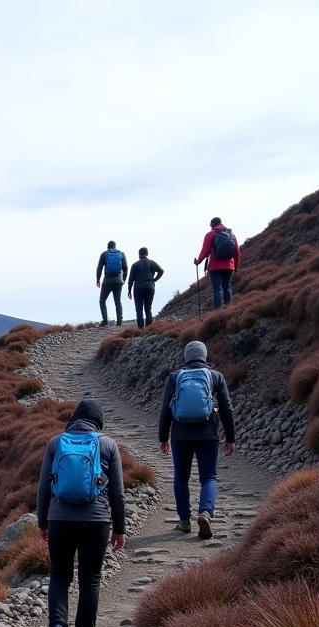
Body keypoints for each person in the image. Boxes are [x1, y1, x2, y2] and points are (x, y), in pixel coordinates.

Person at [37, 399, 126, 627]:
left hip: (59, 520)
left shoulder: (55, 443)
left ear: (74, 418)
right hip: (95, 521)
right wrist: (119, 529)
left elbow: (43, 487)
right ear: (98, 422)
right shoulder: (108, 444)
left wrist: (43, 522)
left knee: (59, 576)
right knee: (90, 579)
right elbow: (117, 494)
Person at [158, 341, 236, 539]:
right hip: (208, 435)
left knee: (181, 477)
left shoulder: (175, 377)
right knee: (208, 477)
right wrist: (230, 438)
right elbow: (226, 409)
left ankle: (184, 522)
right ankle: (205, 513)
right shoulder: (216, 377)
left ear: (187, 357)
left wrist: (163, 437)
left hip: (180, 436)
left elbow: (166, 410)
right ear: (204, 356)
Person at [195, 217, 240, 309]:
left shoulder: (210, 234)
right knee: (227, 286)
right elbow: (237, 251)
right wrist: (235, 266)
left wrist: (198, 261)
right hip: (229, 266)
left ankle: (218, 311)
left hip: (215, 267)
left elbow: (205, 251)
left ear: (212, 225)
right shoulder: (231, 234)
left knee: (217, 288)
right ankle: (228, 307)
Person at [126, 247, 165, 328]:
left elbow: (131, 280)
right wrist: (154, 280)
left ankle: (140, 330)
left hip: (138, 289)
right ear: (147, 254)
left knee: (139, 310)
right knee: (148, 309)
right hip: (150, 287)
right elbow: (161, 271)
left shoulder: (135, 265)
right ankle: (148, 330)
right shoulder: (152, 263)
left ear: (139, 254)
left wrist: (129, 290)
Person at [96, 241, 128, 326]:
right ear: (115, 246)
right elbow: (125, 268)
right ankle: (119, 321)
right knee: (118, 301)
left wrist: (98, 279)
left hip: (107, 281)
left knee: (102, 300)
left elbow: (99, 267)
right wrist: (123, 280)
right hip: (118, 281)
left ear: (108, 247)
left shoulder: (104, 254)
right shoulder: (121, 254)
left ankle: (105, 320)